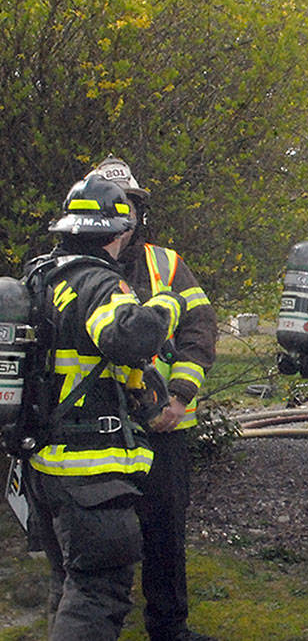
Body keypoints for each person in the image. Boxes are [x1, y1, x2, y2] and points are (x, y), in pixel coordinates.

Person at [25, 174, 183, 640]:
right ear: (117, 233)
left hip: (44, 465)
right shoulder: (97, 281)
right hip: (91, 470)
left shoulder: (41, 278)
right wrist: (165, 309)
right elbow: (129, 335)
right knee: (99, 592)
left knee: (71, 583)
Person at [93, 156, 218, 641]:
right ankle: (98, 624)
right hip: (99, 427)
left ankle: (169, 626)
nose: (123, 215)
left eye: (130, 205)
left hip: (164, 426)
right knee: (101, 537)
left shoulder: (166, 264)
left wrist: (181, 396)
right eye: (114, 205)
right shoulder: (77, 269)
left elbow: (200, 328)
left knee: (165, 532)